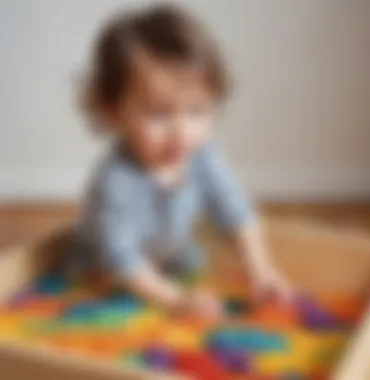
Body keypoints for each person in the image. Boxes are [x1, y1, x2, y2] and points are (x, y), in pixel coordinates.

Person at [73, 4, 292, 319]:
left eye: (196, 111)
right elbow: (122, 259)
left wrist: (261, 271)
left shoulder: (202, 155)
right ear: (113, 111)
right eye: (158, 114)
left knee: (201, 269)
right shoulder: (115, 182)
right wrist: (175, 301)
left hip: (172, 258)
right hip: (110, 270)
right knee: (111, 303)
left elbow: (235, 210)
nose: (181, 133)